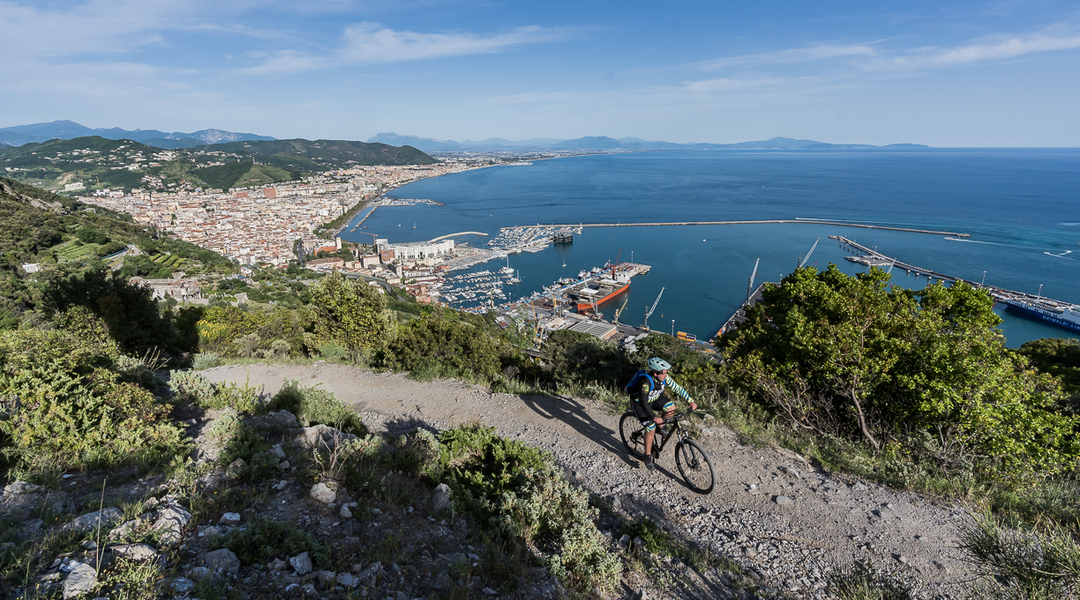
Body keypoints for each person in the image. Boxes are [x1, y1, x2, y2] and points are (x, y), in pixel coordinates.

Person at [628, 357, 697, 471]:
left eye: (666, 372)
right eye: (663, 373)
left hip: (654, 398)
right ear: (655, 373)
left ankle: (660, 428)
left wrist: (690, 400)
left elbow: (677, 388)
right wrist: (654, 417)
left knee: (671, 408)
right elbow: (644, 402)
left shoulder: (665, 378)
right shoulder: (645, 382)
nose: (666, 375)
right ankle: (647, 456)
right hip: (640, 403)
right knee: (650, 427)